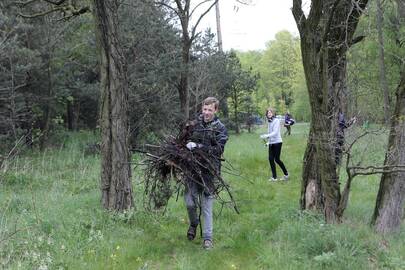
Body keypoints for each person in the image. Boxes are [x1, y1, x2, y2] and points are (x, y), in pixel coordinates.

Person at [184, 97, 228, 250]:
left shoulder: (220, 129)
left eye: (210, 110)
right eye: (205, 109)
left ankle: (208, 238)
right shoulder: (193, 125)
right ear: (202, 108)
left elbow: (218, 150)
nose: (206, 112)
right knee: (190, 202)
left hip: (210, 171)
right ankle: (194, 223)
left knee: (207, 205)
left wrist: (198, 146)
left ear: (216, 110)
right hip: (192, 169)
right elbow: (183, 141)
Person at [260, 107, 289, 181]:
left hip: (277, 142)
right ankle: (274, 177)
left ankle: (286, 174)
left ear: (273, 113)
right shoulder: (269, 122)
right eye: (268, 113)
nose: (269, 114)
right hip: (271, 143)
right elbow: (270, 133)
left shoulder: (276, 120)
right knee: (270, 159)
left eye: (270, 112)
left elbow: (275, 133)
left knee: (277, 159)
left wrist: (266, 135)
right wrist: (268, 142)